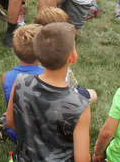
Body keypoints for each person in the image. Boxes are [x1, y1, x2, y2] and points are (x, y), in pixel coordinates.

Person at [6, 22, 91, 162]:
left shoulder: (20, 81)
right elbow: (82, 159)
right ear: (73, 57)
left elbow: (10, 121)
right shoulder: (80, 106)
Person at [0, 24, 43, 143]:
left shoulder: (6, 77)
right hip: (41, 135)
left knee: (3, 116)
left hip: (16, 133)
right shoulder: (47, 76)